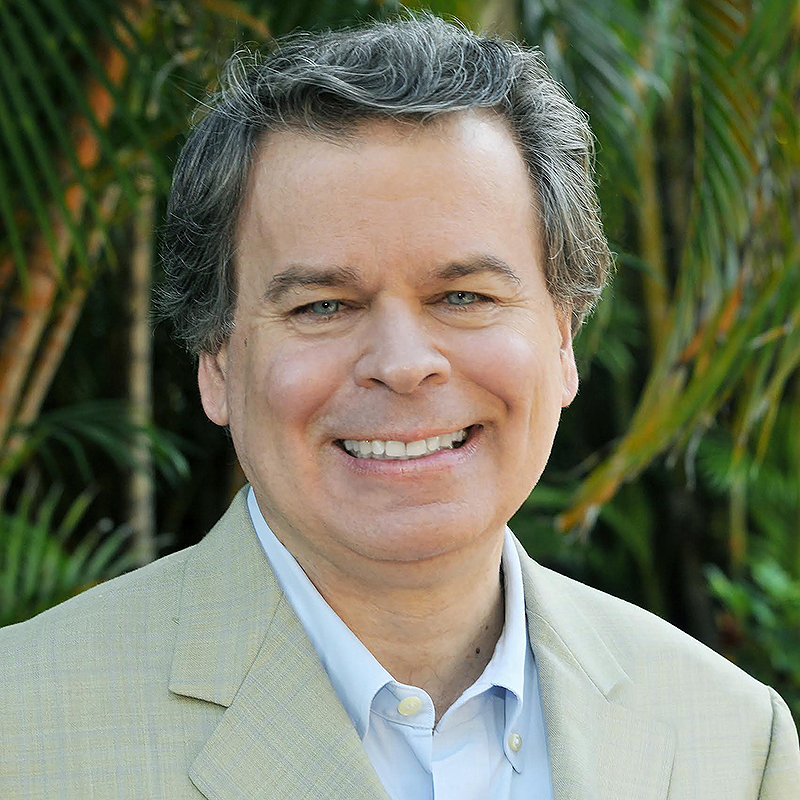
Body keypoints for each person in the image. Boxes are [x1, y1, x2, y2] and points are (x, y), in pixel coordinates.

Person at [1, 14, 798, 800]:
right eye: (323, 306)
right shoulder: (22, 728)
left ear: (563, 339)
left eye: (464, 296)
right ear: (216, 360)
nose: (403, 365)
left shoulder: (730, 740)